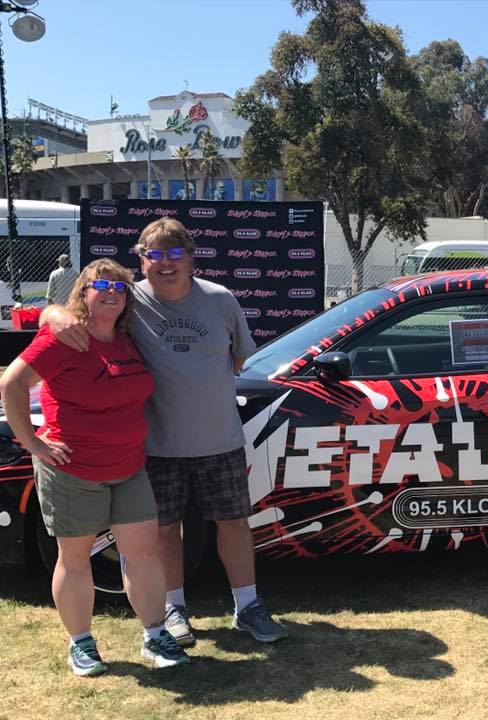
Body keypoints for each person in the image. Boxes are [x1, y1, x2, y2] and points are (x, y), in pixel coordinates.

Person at [43, 218, 286, 647]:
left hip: (220, 441)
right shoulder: (129, 301)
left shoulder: (221, 299)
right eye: (154, 254)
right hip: (155, 447)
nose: (165, 262)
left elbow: (238, 360)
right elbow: (75, 312)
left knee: (233, 523)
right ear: (141, 261)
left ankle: (248, 607)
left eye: (175, 253)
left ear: (191, 259)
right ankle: (174, 610)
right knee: (163, 531)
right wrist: (53, 312)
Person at [1, 259, 189, 676]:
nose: (111, 293)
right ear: (83, 292)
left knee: (143, 553)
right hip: (73, 468)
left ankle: (155, 634)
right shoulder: (64, 337)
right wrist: (33, 442)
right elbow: (11, 384)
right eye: (101, 286)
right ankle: (81, 643)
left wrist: (51, 311)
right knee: (74, 558)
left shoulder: (128, 338)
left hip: (129, 466)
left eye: (120, 288)